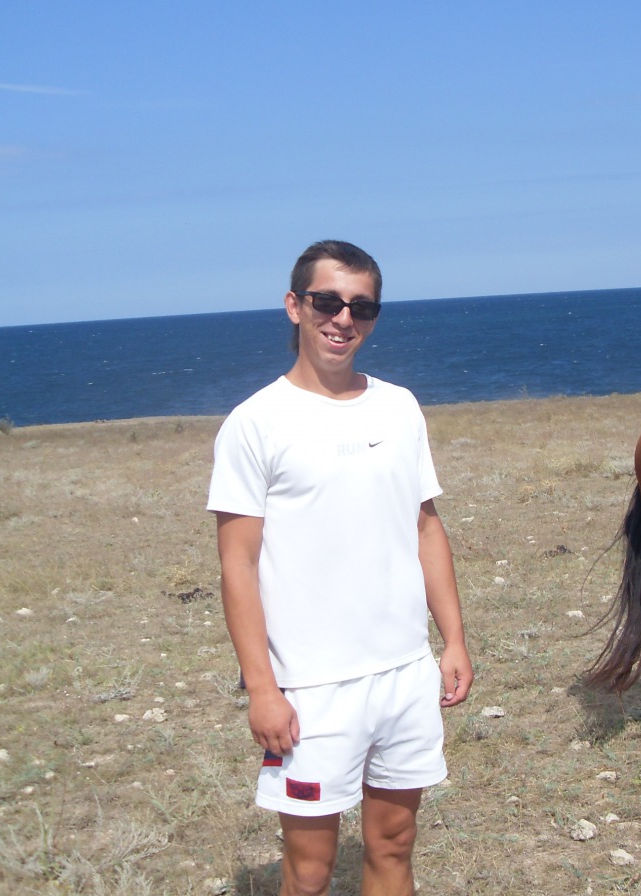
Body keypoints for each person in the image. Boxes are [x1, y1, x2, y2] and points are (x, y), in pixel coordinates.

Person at [207, 240, 473, 896]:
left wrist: (454, 641)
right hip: (311, 689)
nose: (343, 318)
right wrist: (262, 689)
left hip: (405, 674)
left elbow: (425, 526)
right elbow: (237, 566)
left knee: (394, 846)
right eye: (327, 301)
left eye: (362, 306)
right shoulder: (255, 423)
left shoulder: (399, 407)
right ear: (294, 306)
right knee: (309, 872)